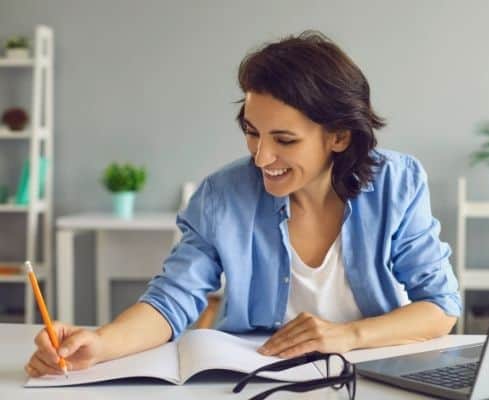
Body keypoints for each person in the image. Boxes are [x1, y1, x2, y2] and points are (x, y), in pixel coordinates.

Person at [25, 31, 461, 378]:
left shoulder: (395, 183)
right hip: (252, 379)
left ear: (339, 136)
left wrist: (347, 335)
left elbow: (441, 307)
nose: (261, 157)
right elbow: (171, 301)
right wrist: (101, 343)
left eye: (284, 140)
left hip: (366, 376)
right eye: (252, 131)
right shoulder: (222, 195)